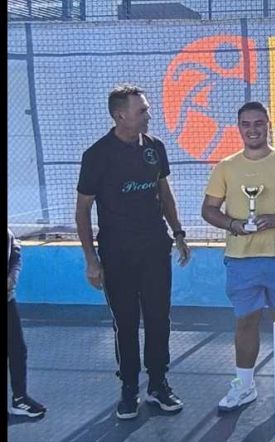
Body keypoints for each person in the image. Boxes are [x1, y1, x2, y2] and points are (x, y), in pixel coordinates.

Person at [75, 85, 191, 420]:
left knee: (158, 320)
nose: (148, 114)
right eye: (142, 110)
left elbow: (164, 193)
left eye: (147, 109)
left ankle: (158, 384)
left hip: (155, 250)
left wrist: (179, 233)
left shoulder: (154, 148)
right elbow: (82, 211)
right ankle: (129, 389)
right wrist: (91, 260)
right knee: (125, 324)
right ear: (120, 115)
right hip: (116, 256)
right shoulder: (96, 155)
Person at [201, 101, 275, 412]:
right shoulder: (226, 167)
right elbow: (208, 210)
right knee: (245, 323)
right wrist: (233, 224)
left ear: (268, 125)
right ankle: (244, 386)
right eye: (246, 124)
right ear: (238, 127)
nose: (252, 129)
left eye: (258, 123)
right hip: (241, 260)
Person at [7, 228, 47, 417]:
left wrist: (11, 279)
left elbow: (15, 258)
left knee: (17, 349)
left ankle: (20, 399)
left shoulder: (8, 234)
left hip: (8, 300)